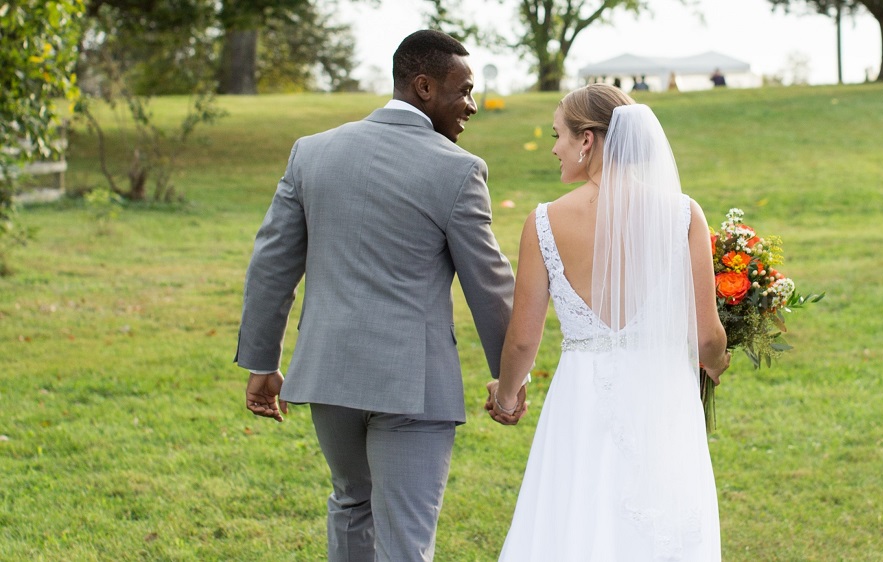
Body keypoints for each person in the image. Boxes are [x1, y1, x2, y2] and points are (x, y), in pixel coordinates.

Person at [236, 29, 519, 562]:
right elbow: (489, 280)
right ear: (424, 87)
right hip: (414, 385)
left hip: (329, 374)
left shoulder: (312, 153)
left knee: (350, 504)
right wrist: (510, 376)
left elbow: (271, 263)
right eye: (464, 91)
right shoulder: (458, 169)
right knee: (405, 541)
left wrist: (261, 361)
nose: (472, 106)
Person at [485, 84, 731, 560]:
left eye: (559, 134)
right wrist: (717, 362)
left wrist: (509, 395)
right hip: (661, 398)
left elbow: (521, 343)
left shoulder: (543, 222)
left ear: (587, 140)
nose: (554, 147)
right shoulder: (683, 215)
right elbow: (706, 338)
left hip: (581, 397)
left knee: (576, 518)